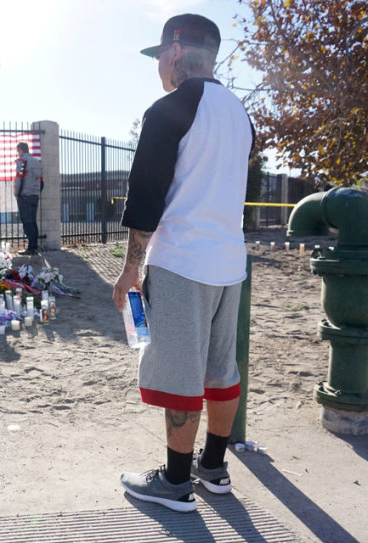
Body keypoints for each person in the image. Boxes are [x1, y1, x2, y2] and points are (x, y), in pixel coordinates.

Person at [112, 13, 254, 513]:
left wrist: (130, 268)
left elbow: (147, 198)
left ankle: (175, 482)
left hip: (182, 262)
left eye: (160, 59)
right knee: (221, 369)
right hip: (229, 262)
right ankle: (212, 468)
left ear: (174, 53)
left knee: (179, 373)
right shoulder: (240, 113)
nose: (160, 69)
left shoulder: (170, 108)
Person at [14, 142, 43, 255]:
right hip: (34, 195)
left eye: (18, 151)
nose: (18, 153)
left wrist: (17, 194)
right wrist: (36, 193)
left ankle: (31, 248)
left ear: (21, 150)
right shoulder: (37, 162)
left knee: (27, 222)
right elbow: (42, 181)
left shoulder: (22, 161)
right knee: (33, 221)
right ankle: (34, 246)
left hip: (25, 195)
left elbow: (18, 179)